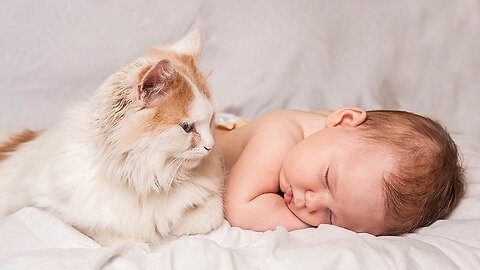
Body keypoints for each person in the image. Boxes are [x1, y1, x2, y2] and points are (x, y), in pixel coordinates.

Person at [214, 108, 465, 236]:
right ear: (343, 120)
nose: (311, 203)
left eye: (331, 216)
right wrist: (306, 225)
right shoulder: (279, 134)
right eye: (326, 178)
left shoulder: (336, 141)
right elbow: (240, 208)